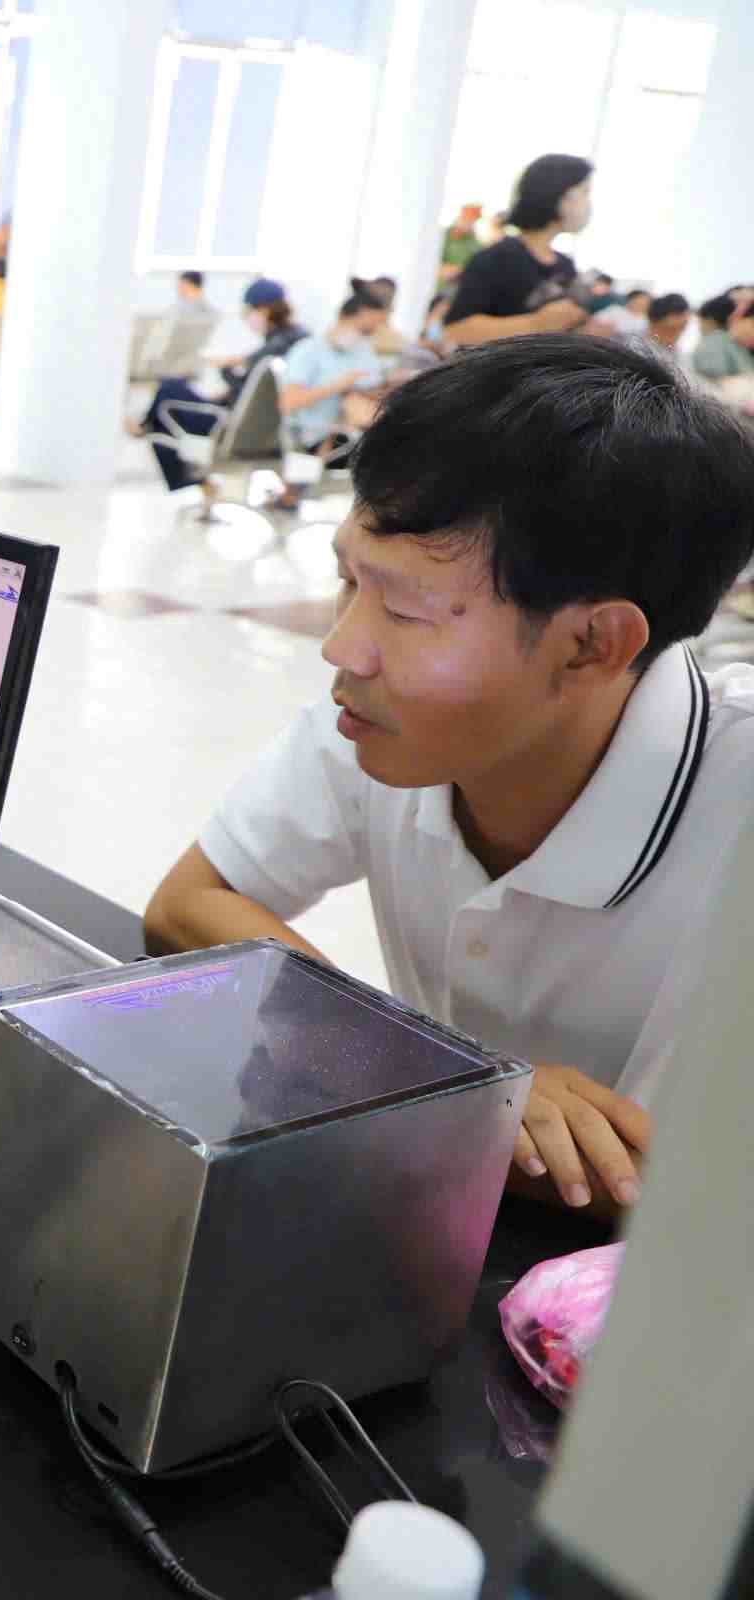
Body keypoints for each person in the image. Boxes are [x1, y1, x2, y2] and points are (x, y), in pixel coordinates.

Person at [143, 335, 754, 1221]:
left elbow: (661, 1201)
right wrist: (454, 1079)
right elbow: (186, 906)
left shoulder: (732, 826)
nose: (342, 647)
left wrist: (428, 1097)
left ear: (592, 643)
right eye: (349, 581)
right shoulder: (385, 721)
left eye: (404, 610)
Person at [138, 278, 308, 497]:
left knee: (169, 391)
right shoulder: (296, 340)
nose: (248, 317)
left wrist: (226, 367)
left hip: (236, 431)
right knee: (165, 414)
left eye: (250, 310)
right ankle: (149, 428)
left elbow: (249, 388)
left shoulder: (277, 347)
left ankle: (147, 428)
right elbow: (253, 393)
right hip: (259, 429)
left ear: (264, 309)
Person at [440, 154, 594, 348]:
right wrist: (536, 324)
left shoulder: (565, 265)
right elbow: (457, 330)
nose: (588, 203)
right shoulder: (497, 258)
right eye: (584, 192)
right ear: (560, 195)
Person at [271, 282, 391, 510]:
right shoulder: (307, 351)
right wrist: (339, 386)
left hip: (353, 433)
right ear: (346, 318)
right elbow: (288, 403)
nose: (368, 335)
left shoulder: (361, 351)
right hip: (314, 436)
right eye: (365, 329)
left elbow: (373, 386)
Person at [689, 293, 754, 383]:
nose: (699, 327)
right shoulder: (734, 344)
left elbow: (713, 379)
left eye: (699, 322)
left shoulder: (713, 343)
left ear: (709, 320)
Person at [438, 202, 485, 284]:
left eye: (475, 219)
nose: (471, 222)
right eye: (469, 217)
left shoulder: (476, 241)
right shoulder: (443, 236)